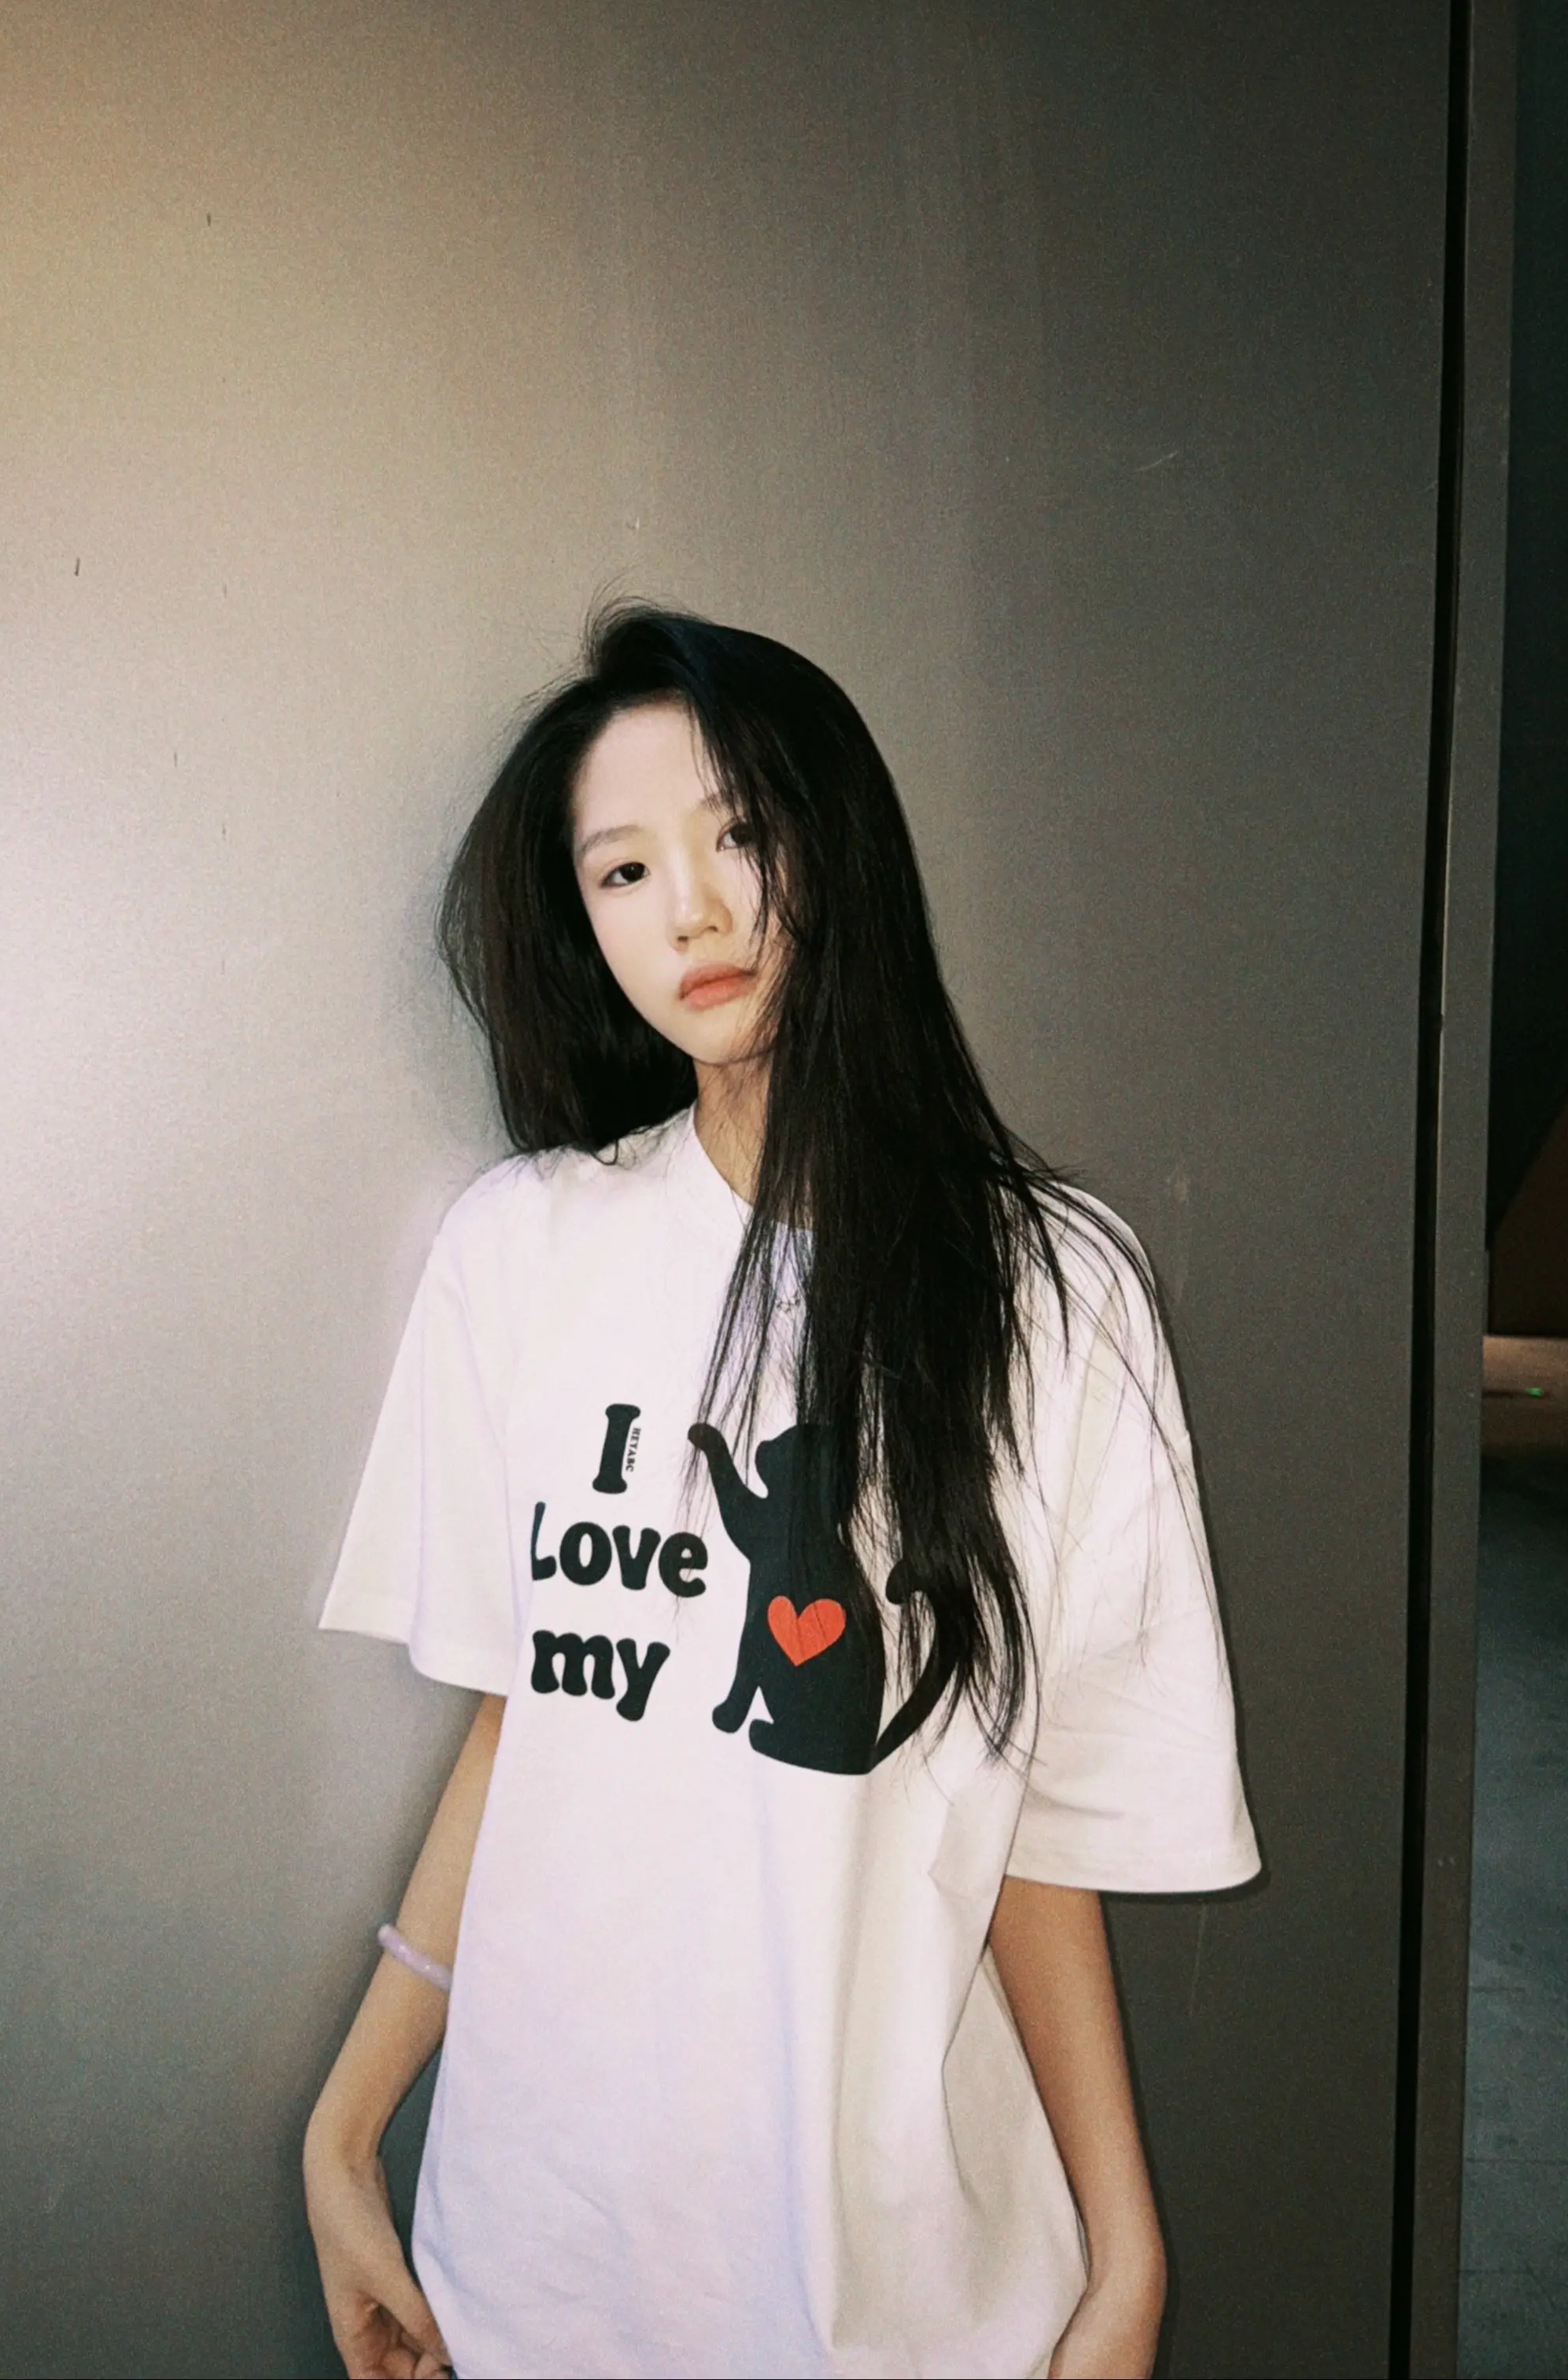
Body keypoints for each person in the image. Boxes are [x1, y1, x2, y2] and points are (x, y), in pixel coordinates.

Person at [302, 607, 1259, 2380]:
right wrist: (344, 2132)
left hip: (907, 2302)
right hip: (539, 2270)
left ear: (840, 841)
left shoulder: (1059, 1294)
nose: (691, 909)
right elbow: (535, 1725)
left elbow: (1029, 1825)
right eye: (623, 868)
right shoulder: (523, 1252)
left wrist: (1127, 2257)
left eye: (738, 832)